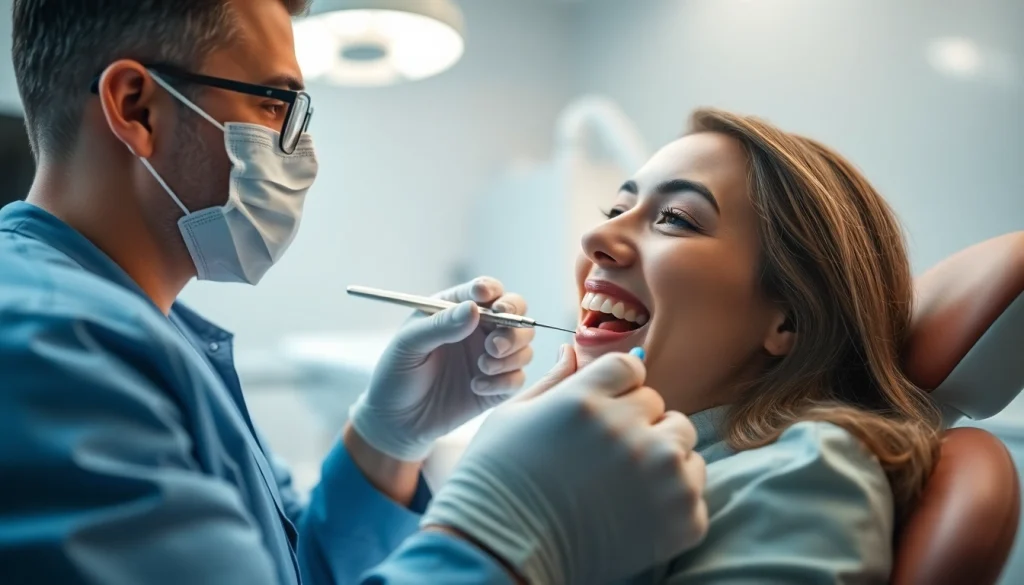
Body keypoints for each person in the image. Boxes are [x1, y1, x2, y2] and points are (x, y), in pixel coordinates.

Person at [0, 1, 710, 584]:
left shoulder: (153, 333)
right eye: (279, 103)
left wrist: (385, 441)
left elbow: (284, 569)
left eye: (677, 218)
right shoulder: (46, 346)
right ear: (138, 107)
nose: (300, 149)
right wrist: (510, 531)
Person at [568, 108, 943, 583]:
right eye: (617, 211)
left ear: (790, 319)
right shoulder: (609, 459)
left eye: (676, 219)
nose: (595, 237)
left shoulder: (804, 476)